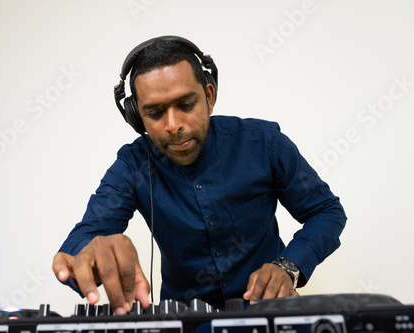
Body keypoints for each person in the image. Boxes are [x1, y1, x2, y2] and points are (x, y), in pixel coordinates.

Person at [52, 36, 347, 316]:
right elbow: (82, 241)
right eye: (154, 113)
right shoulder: (132, 166)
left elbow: (326, 211)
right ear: (136, 117)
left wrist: (288, 266)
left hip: (270, 313)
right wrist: (91, 253)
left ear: (209, 95)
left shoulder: (264, 143)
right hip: (185, 322)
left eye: (185, 104)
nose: (173, 125)